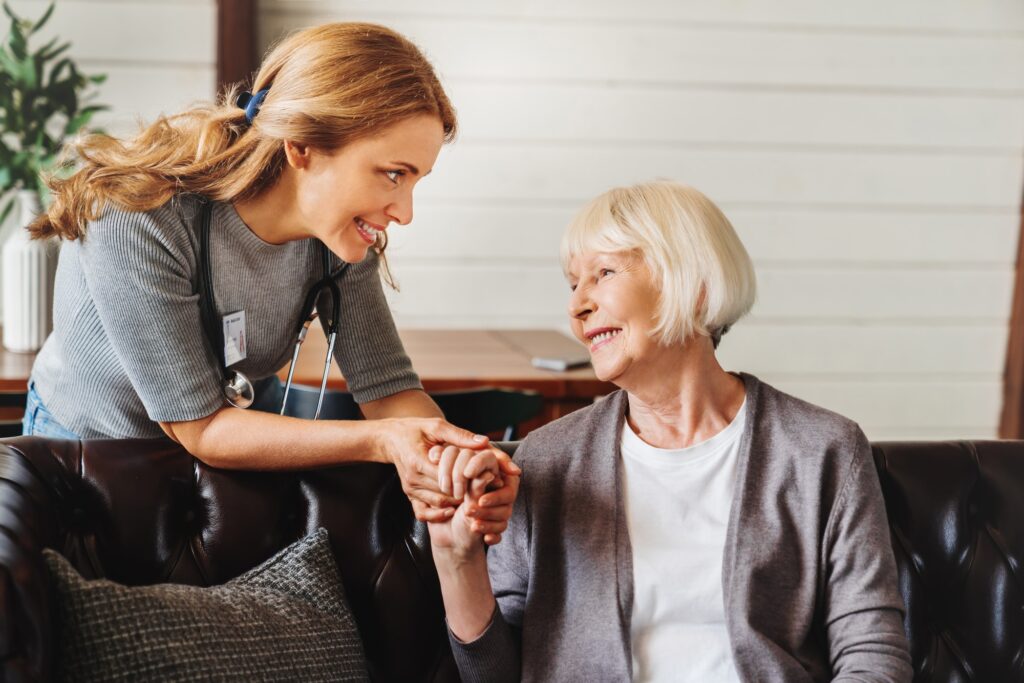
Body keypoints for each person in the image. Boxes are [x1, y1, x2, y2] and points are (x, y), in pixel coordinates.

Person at [23, 22, 518, 535]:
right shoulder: (138, 216)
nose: (406, 212)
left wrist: (457, 462)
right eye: (393, 174)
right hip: (86, 456)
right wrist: (382, 441)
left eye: (416, 179)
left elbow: (389, 389)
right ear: (302, 146)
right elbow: (201, 427)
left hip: (217, 460)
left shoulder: (338, 239)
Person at [427, 180, 912, 681]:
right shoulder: (547, 458)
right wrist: (457, 560)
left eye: (604, 273)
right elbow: (494, 675)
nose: (577, 306)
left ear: (694, 284)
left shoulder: (822, 451)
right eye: (573, 283)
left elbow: (873, 655)